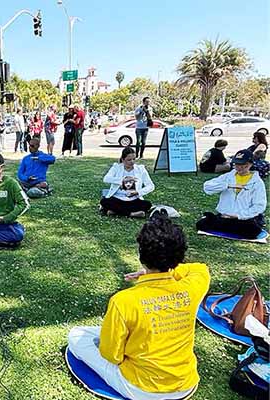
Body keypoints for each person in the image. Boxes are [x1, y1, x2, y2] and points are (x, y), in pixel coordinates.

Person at [68, 211, 210, 400]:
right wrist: (161, 270)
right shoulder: (192, 288)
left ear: (141, 254)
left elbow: (113, 356)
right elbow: (201, 269)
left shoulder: (124, 301)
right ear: (179, 256)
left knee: (76, 336)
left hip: (141, 388)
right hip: (184, 382)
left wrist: (148, 272)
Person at [196, 149, 267, 239]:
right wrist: (228, 185)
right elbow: (207, 187)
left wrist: (239, 215)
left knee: (252, 231)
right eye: (236, 164)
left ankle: (227, 225)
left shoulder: (257, 182)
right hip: (225, 216)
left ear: (250, 164)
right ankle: (223, 223)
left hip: (242, 219)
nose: (238, 167)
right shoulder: (228, 176)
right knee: (201, 224)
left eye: (242, 165)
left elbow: (259, 206)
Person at [100, 147, 154, 218]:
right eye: (129, 160)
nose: (132, 162)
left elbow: (151, 186)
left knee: (147, 204)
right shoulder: (116, 167)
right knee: (104, 202)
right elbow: (106, 179)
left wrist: (138, 192)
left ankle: (115, 211)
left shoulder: (140, 169)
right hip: (118, 198)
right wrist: (123, 180)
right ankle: (132, 214)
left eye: (134, 159)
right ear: (123, 160)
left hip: (133, 199)